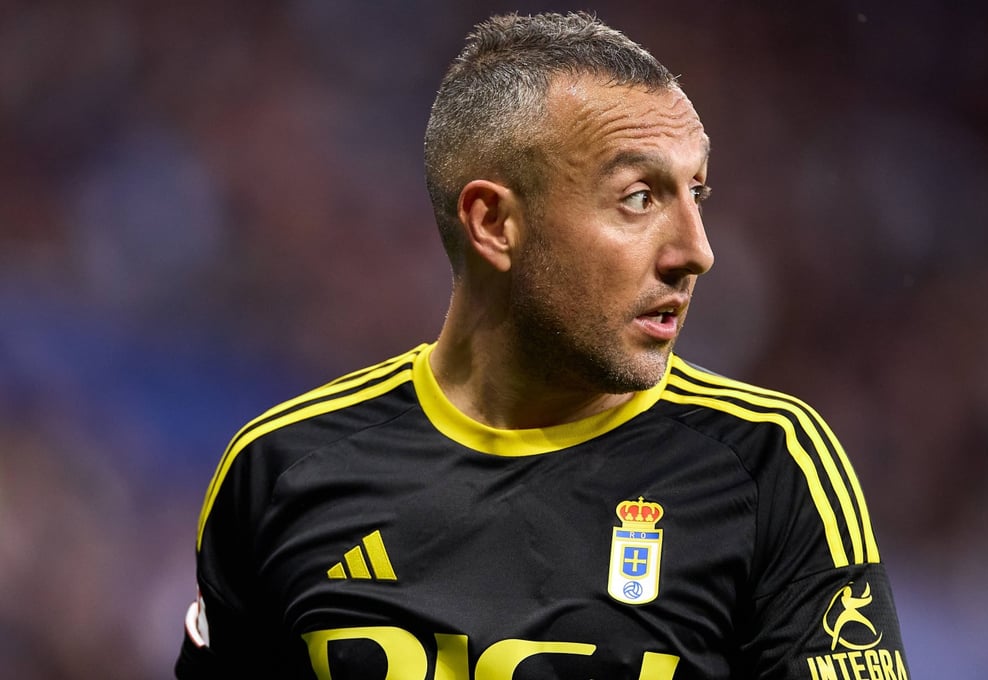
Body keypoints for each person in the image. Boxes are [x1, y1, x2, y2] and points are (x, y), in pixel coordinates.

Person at [175, 11, 909, 680]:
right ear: (494, 223)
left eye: (697, 193)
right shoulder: (282, 471)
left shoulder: (767, 464)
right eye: (639, 199)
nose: (697, 251)